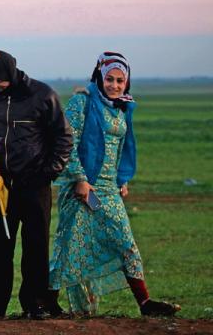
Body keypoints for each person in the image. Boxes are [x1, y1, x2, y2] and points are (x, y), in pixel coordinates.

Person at [48, 52, 181, 317]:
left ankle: (145, 303)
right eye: (109, 79)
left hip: (109, 189)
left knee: (125, 242)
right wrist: (80, 180)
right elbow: (67, 143)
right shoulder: (82, 102)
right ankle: (49, 302)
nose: (115, 85)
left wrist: (122, 179)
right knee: (71, 245)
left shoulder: (123, 106)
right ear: (99, 77)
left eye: (121, 80)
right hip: (81, 188)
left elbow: (122, 145)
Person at [0, 50, 73, 321]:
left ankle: (35, 305)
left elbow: (64, 137)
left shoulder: (43, 95)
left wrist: (48, 173)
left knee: (36, 245)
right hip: (2, 184)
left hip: (35, 183)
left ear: (11, 74)